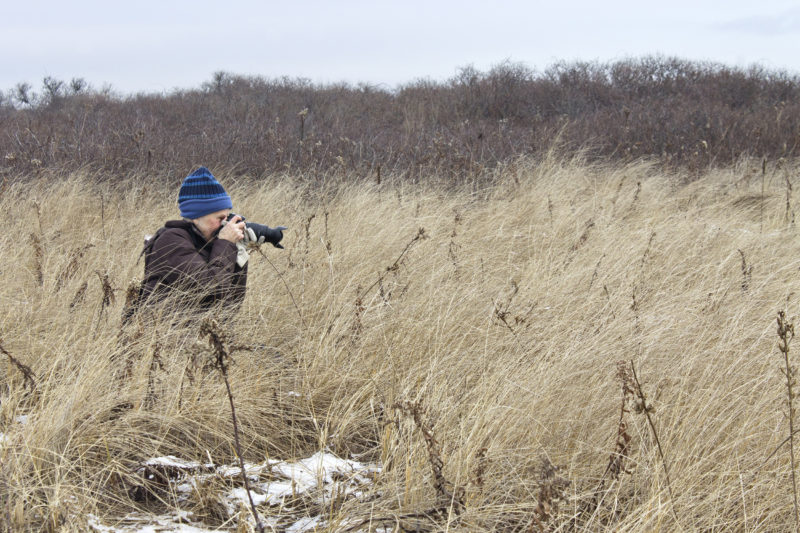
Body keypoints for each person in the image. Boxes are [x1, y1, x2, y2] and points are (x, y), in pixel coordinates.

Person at [137, 166, 281, 315]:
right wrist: (226, 244)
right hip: (163, 334)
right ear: (196, 216)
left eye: (227, 217)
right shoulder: (171, 241)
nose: (226, 224)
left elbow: (229, 305)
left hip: (197, 334)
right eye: (220, 218)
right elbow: (210, 290)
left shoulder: (208, 243)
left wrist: (238, 255)